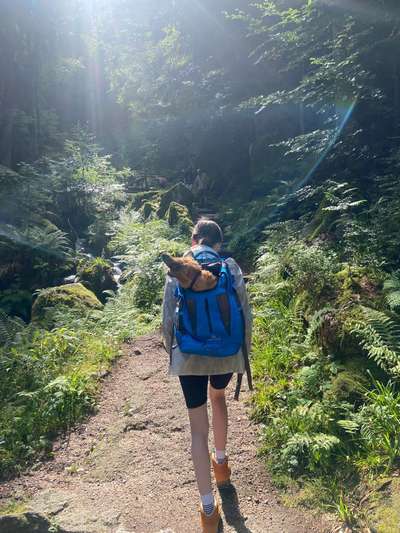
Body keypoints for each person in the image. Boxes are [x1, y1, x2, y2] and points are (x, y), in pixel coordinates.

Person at [161, 219, 252, 533]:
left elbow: (168, 317)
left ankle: (209, 512)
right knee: (219, 397)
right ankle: (222, 464)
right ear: (217, 242)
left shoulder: (179, 268)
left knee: (197, 429)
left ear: (193, 238)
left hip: (190, 356)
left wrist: (173, 354)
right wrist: (243, 355)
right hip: (226, 351)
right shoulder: (229, 266)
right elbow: (244, 312)